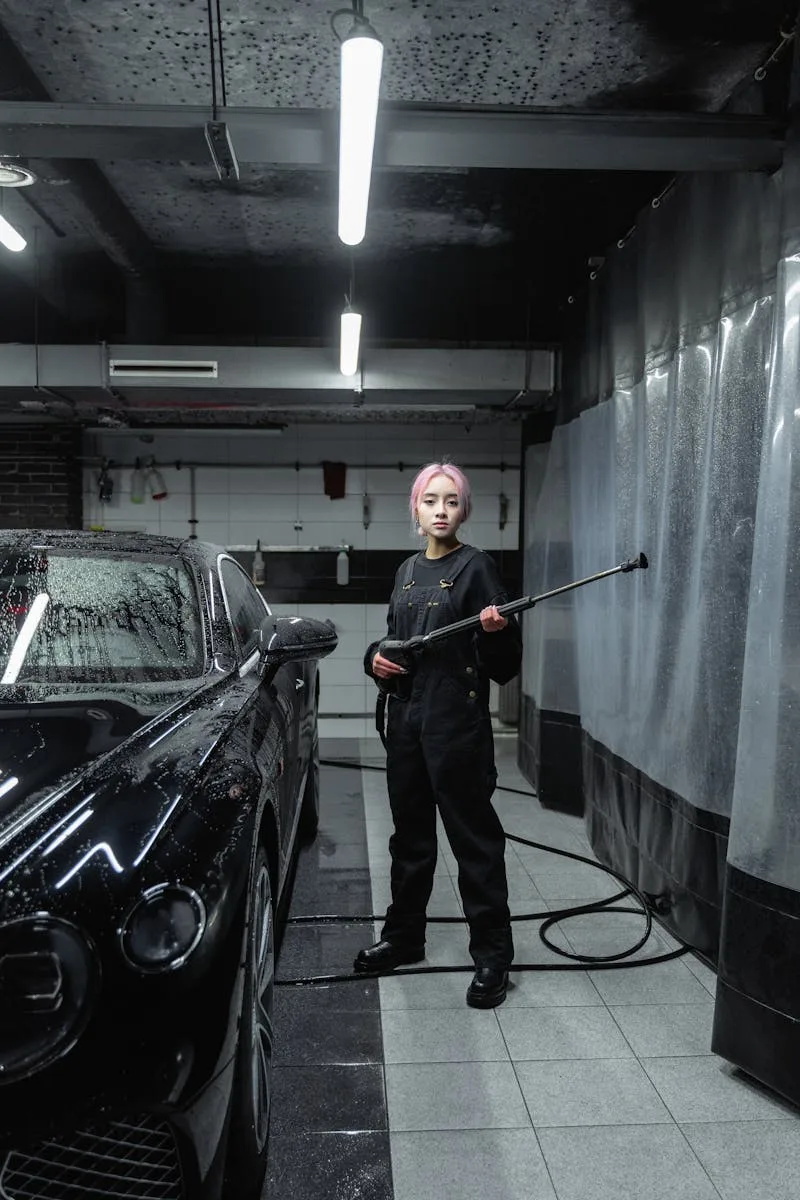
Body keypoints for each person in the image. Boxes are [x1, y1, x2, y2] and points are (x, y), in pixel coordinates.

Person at [354, 461, 522, 1008]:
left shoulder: (478, 569)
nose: (441, 511)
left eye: (451, 501)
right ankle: (404, 939)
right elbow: (392, 641)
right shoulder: (405, 571)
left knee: (474, 844)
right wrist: (372, 658)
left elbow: (504, 667)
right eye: (432, 501)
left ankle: (493, 956)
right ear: (417, 509)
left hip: (457, 732)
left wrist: (498, 633)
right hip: (406, 728)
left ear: (463, 509)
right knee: (410, 842)